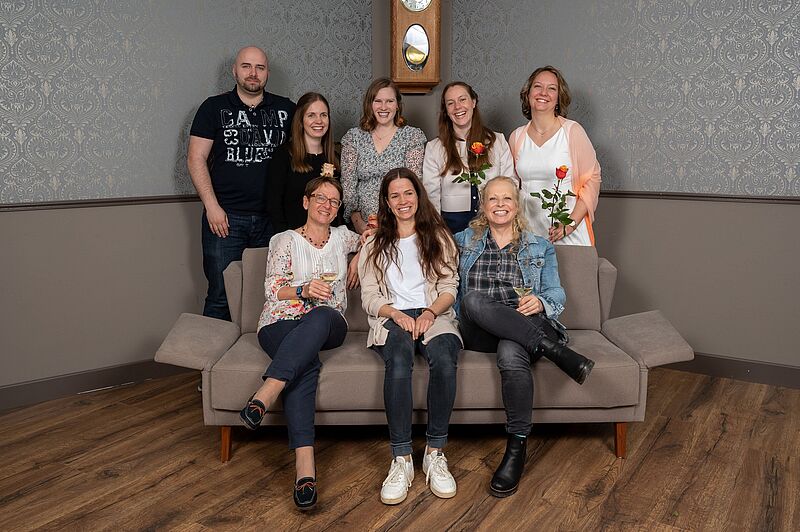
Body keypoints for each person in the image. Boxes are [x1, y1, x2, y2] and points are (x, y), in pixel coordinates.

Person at [453, 176, 595, 498]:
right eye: (493, 199)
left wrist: (541, 302)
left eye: (507, 198)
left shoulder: (539, 245)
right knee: (473, 300)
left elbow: (556, 292)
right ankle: (554, 351)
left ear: (517, 206)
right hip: (480, 328)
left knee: (511, 349)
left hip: (525, 323)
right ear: (483, 206)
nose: (500, 204)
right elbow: (425, 245)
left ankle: (516, 449)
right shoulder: (463, 241)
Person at [239, 176, 360, 510]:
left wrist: (358, 257)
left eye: (334, 201)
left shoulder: (343, 237)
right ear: (306, 202)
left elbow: (374, 237)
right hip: (280, 321)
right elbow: (272, 290)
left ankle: (266, 393)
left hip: (328, 323)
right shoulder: (284, 240)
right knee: (305, 363)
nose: (326, 205)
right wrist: (303, 290)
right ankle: (305, 469)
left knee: (320, 314)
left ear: (338, 209)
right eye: (320, 197)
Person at [358, 168, 462, 505]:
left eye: (408, 193)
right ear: (386, 202)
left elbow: (449, 286)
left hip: (435, 313)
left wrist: (430, 312)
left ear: (418, 195)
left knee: (444, 358)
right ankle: (401, 458)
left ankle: (434, 453)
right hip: (393, 316)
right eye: (395, 195)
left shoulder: (439, 236)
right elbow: (369, 296)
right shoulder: (374, 243)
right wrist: (395, 314)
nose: (403, 201)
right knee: (400, 360)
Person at [188, 46, 295, 320]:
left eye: (260, 67)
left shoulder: (287, 109)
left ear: (267, 73)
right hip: (226, 219)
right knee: (220, 295)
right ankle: (211, 350)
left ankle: (258, 346)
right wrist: (212, 207)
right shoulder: (213, 108)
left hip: (273, 221)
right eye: (246, 66)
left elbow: (307, 153)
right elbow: (196, 159)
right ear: (234, 71)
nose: (253, 73)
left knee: (271, 293)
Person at [508, 66, 601, 245]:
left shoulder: (572, 131)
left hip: (567, 233)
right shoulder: (516, 137)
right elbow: (511, 186)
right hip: (529, 234)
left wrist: (570, 224)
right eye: (537, 86)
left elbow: (592, 179)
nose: (543, 93)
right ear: (528, 93)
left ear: (559, 98)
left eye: (551, 88)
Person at [422, 81, 514, 234]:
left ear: (473, 102)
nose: (457, 107)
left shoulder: (498, 141)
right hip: (452, 229)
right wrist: (437, 232)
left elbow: (510, 185)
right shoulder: (435, 148)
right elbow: (431, 196)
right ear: (446, 110)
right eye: (450, 103)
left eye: (462, 99)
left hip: (494, 224)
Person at [341, 78, 427, 234]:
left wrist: (402, 223)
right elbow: (348, 184)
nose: (383, 107)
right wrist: (358, 222)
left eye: (389, 101)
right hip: (363, 224)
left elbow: (414, 182)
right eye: (378, 101)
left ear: (397, 105)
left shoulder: (412, 136)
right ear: (370, 104)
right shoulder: (354, 137)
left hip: (402, 222)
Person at [269, 92, 343, 233]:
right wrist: (286, 237)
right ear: (301, 120)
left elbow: (339, 207)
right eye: (311, 115)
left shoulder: (335, 158)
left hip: (328, 238)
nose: (319, 121)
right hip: (293, 236)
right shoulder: (283, 155)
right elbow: (274, 204)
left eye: (323, 115)